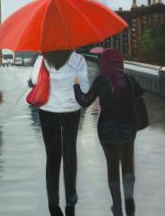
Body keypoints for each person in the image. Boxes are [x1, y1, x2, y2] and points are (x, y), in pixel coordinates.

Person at [74, 48, 143, 216]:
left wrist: (76, 85)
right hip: (128, 128)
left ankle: (117, 206)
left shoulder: (100, 81)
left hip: (107, 130)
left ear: (103, 63)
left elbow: (84, 101)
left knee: (112, 166)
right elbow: (140, 98)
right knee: (127, 164)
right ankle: (129, 199)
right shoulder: (129, 79)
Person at [28, 50, 89, 216]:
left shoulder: (42, 58)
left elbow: (34, 80)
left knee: (52, 155)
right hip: (71, 110)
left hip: (48, 110)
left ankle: (53, 200)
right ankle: (70, 195)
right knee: (70, 150)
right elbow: (84, 87)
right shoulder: (78, 59)